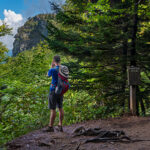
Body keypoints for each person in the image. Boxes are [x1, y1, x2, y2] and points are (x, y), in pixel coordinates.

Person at [45, 55, 64, 132]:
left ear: (54, 61)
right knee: (60, 107)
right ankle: (60, 125)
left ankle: (50, 127)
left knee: (53, 109)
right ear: (60, 60)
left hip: (53, 90)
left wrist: (51, 66)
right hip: (61, 90)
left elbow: (47, 76)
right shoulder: (63, 68)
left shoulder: (53, 70)